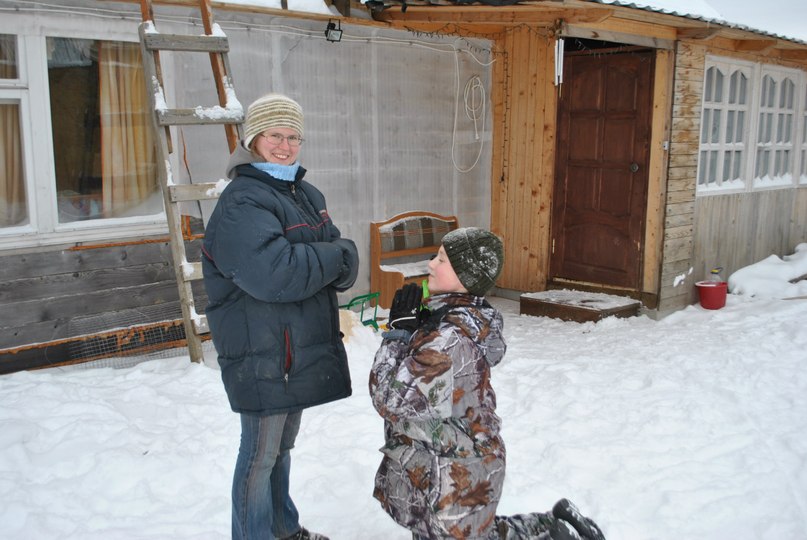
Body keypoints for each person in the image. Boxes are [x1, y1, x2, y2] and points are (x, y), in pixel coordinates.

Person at [369, 227, 605, 540]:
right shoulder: (453, 320)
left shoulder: (449, 340)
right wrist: (417, 330)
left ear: (465, 276)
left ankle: (557, 533)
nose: (431, 264)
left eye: (442, 259)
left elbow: (390, 399)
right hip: (446, 468)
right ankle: (555, 526)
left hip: (453, 477)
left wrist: (397, 334)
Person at [202, 93, 358, 540]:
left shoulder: (304, 193)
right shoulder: (242, 202)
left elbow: (344, 263)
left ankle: (283, 529)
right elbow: (277, 275)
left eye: (293, 137)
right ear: (253, 139)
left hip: (293, 348)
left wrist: (331, 256)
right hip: (262, 351)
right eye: (275, 135)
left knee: (281, 449)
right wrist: (333, 255)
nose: (285, 146)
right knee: (259, 455)